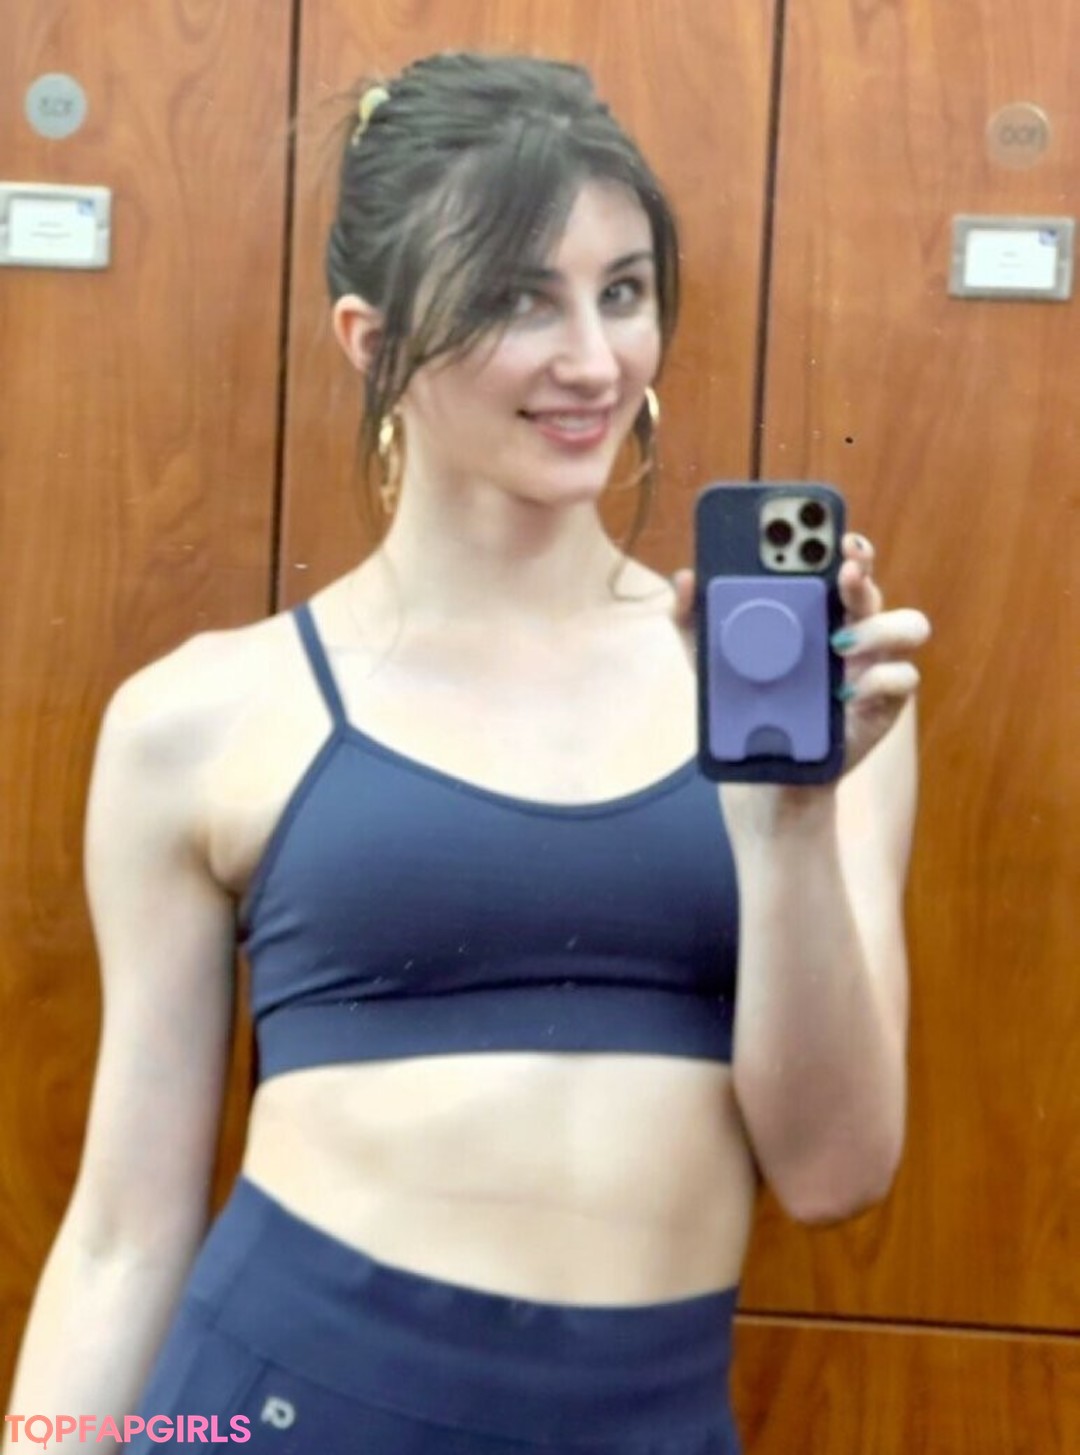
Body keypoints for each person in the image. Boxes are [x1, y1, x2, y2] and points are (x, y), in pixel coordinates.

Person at [3, 52, 930, 1455]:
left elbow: (834, 1174)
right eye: (517, 298)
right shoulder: (197, 719)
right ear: (370, 339)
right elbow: (123, 1236)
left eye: (623, 291)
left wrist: (788, 822)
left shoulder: (815, 705)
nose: (594, 360)